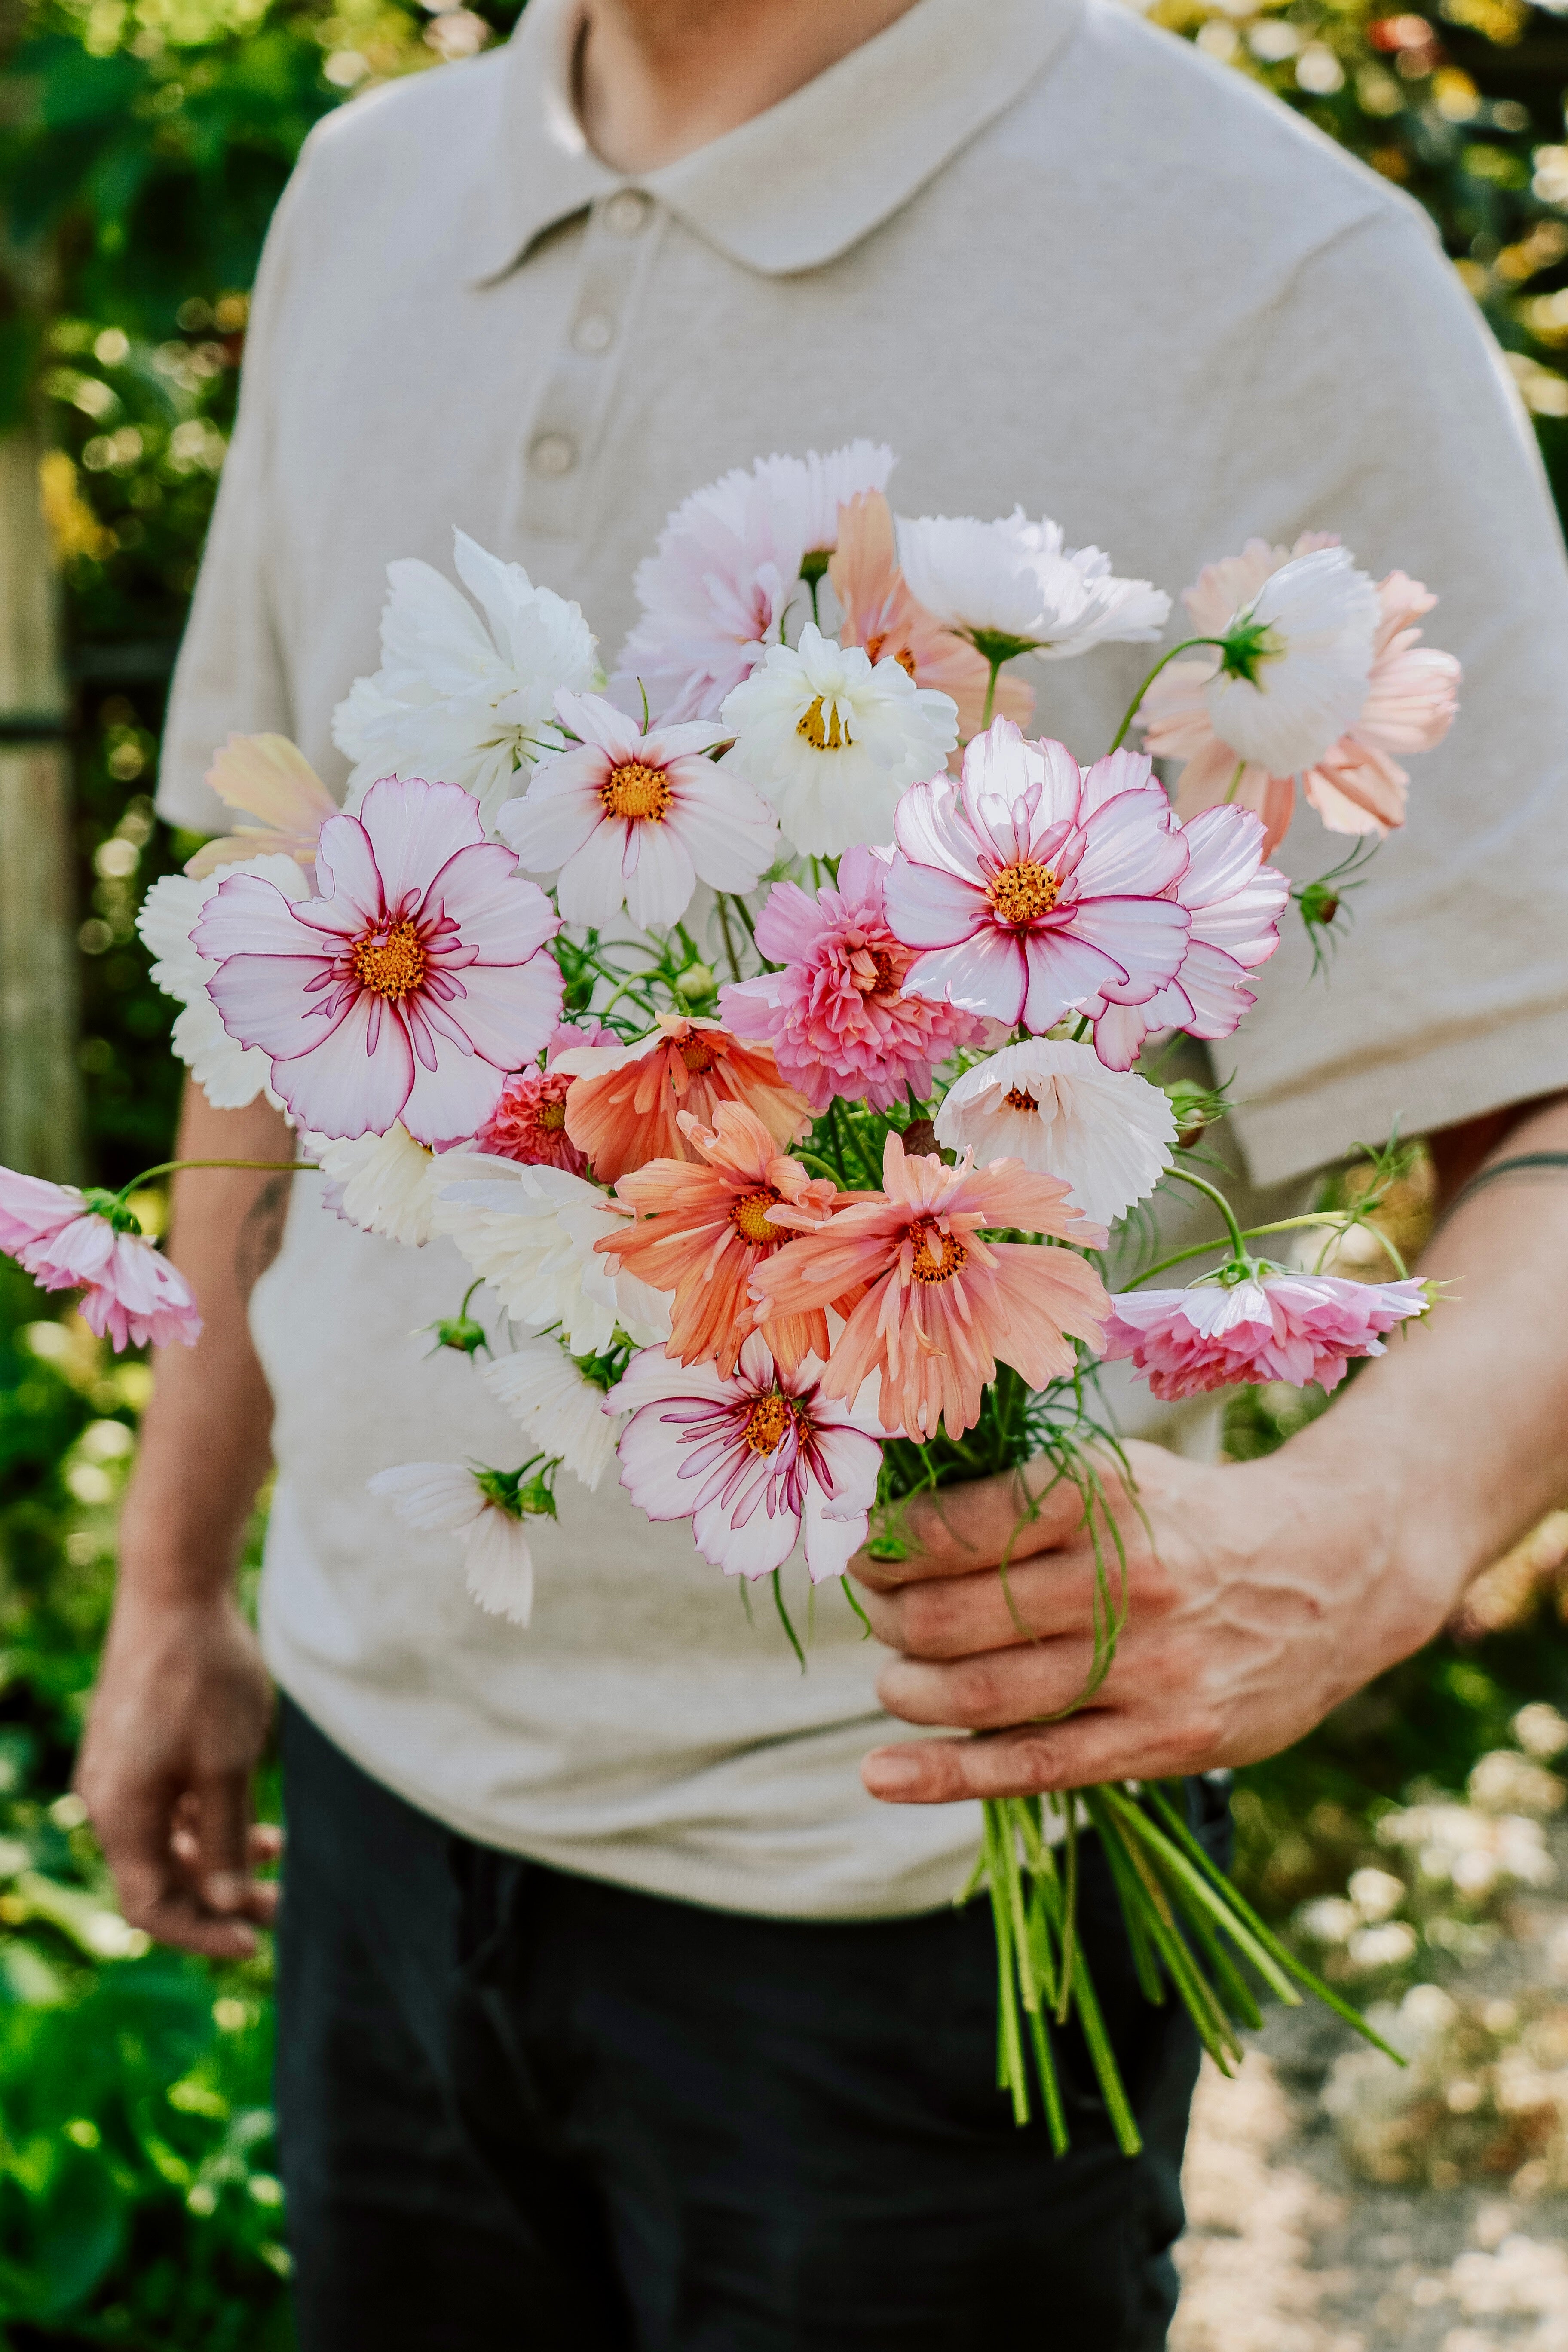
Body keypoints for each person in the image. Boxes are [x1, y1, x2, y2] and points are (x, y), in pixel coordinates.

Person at [74, 0, 1568, 2343]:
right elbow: (296, 992)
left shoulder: (1273, 267)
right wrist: (178, 1578)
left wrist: (1352, 1541)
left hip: (902, 1907)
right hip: (378, 1802)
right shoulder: (365, 201)